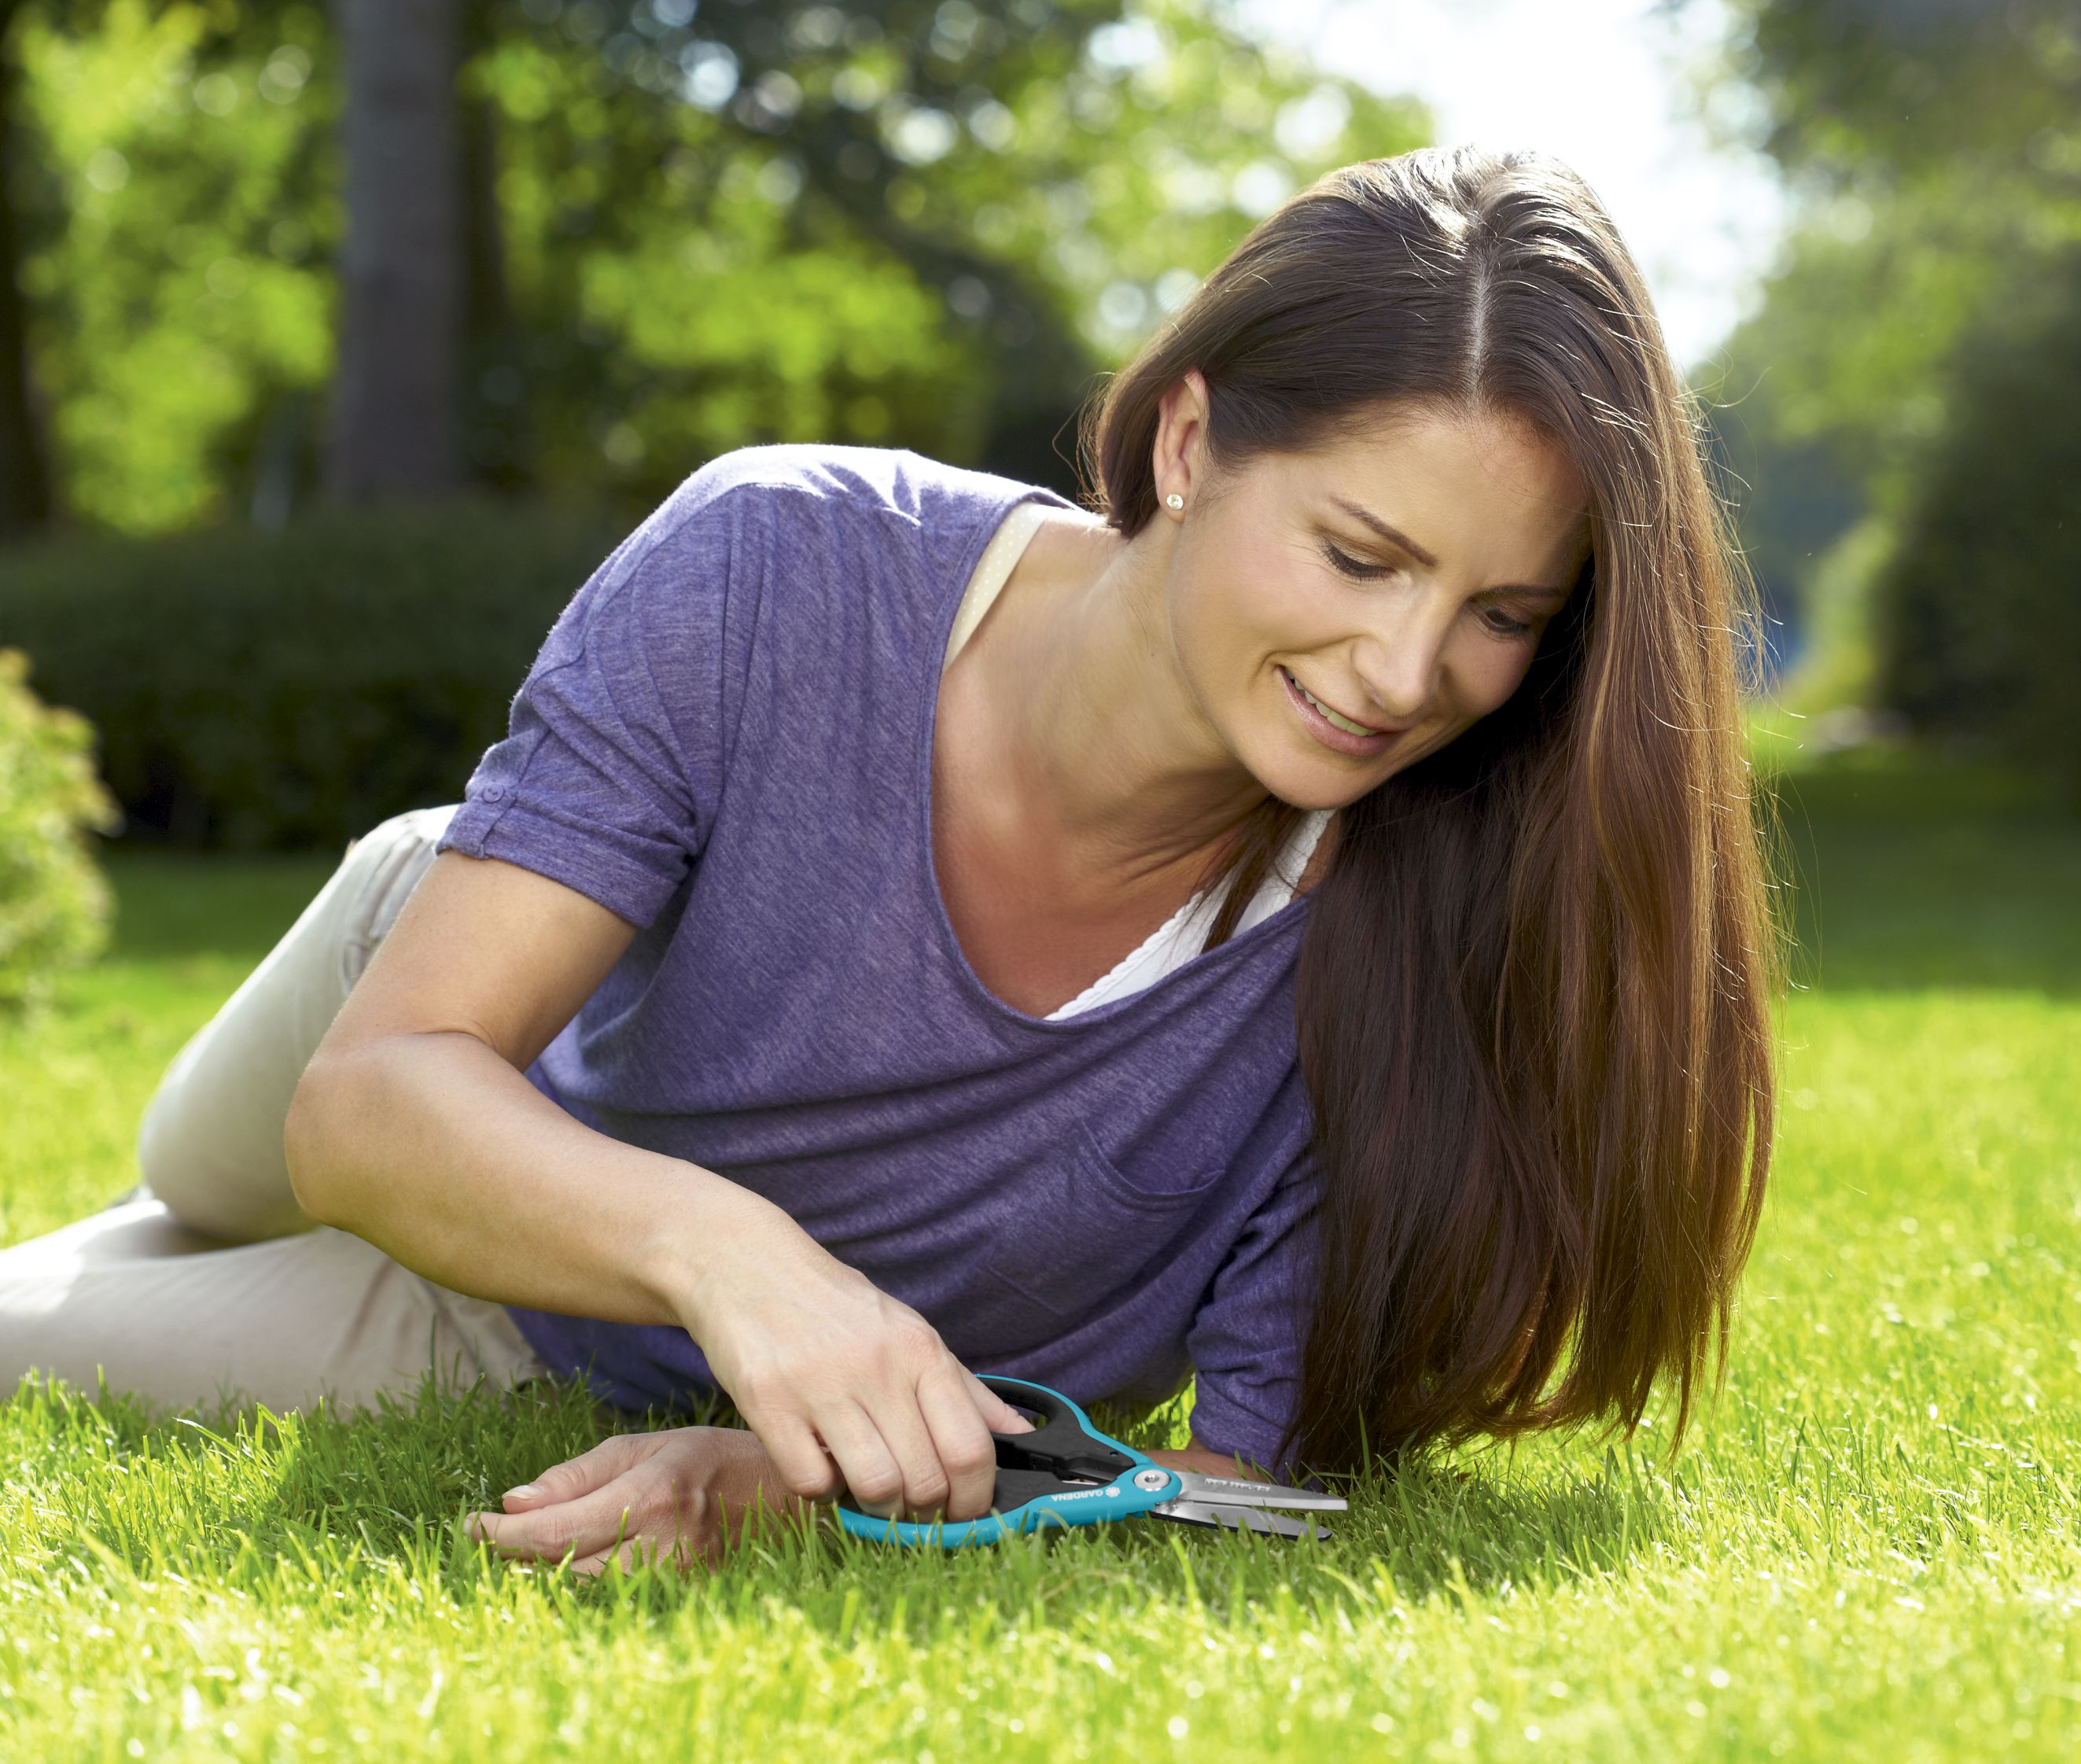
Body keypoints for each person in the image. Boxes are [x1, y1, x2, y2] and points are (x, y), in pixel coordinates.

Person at [0, 147, 1776, 1571]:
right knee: (211, 1166)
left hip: (530, 1319)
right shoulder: (783, 556)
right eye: (1359, 556)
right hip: (463, 1005)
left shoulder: (1432, 935)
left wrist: (802, 1479)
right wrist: (744, 1257)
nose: (1404, 676)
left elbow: (1222, 1490)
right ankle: (208, 1213)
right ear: (1189, 438)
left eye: (1501, 614)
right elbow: (374, 1096)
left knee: (20, 1341)